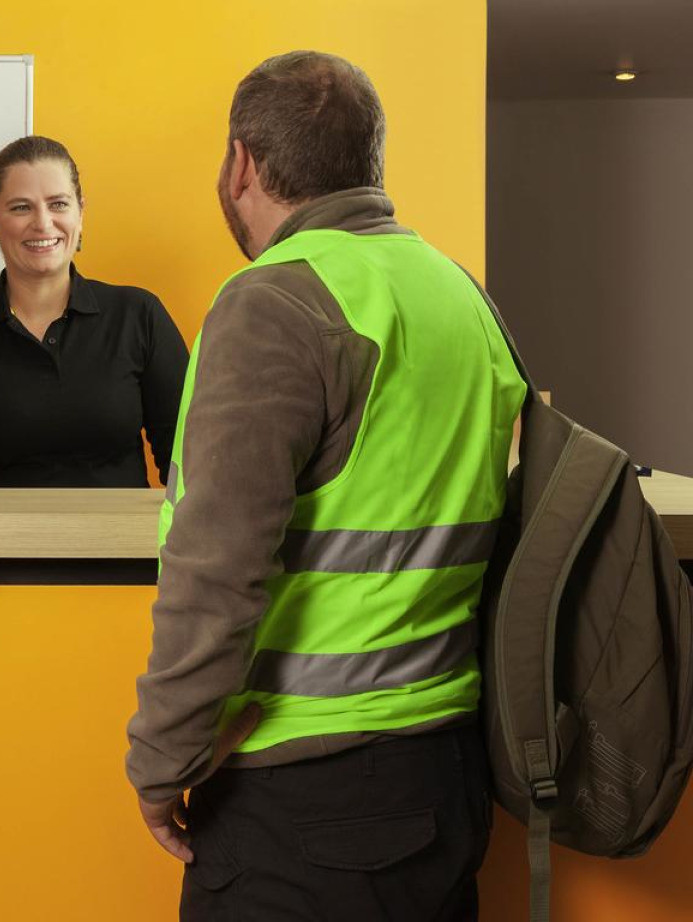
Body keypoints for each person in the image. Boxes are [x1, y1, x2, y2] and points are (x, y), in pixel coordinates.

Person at [126, 51, 526, 920]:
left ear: (240, 163)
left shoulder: (275, 301)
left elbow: (217, 567)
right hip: (447, 769)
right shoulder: (461, 295)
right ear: (366, 160)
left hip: (305, 795)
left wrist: (161, 762)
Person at [0, 135, 189, 488]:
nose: (43, 223)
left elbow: (190, 464)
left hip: (117, 526)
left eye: (58, 204)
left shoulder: (139, 316)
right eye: (21, 208)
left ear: (81, 212)